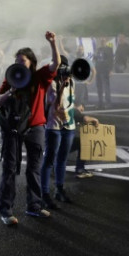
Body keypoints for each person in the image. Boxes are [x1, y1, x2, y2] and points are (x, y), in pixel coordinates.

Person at [0, 32, 60, 225]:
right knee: (10, 169)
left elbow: (55, 64)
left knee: (34, 169)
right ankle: (6, 210)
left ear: (31, 62)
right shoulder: (11, 78)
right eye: (16, 60)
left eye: (22, 60)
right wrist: (11, 90)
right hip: (14, 129)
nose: (18, 63)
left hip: (36, 128)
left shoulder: (39, 77)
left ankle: (34, 205)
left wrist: (53, 43)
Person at [40, 56, 77, 209]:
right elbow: (56, 107)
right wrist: (61, 87)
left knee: (62, 159)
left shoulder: (72, 82)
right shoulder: (52, 84)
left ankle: (59, 189)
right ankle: (44, 193)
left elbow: (70, 103)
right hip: (53, 126)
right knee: (49, 160)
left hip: (69, 126)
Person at [94, 37, 114, 109]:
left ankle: (108, 103)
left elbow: (111, 60)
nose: (102, 42)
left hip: (105, 70)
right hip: (98, 70)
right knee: (99, 88)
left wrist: (111, 70)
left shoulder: (109, 49)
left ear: (106, 41)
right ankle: (100, 103)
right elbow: (96, 59)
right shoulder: (99, 49)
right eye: (101, 40)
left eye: (103, 40)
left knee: (106, 87)